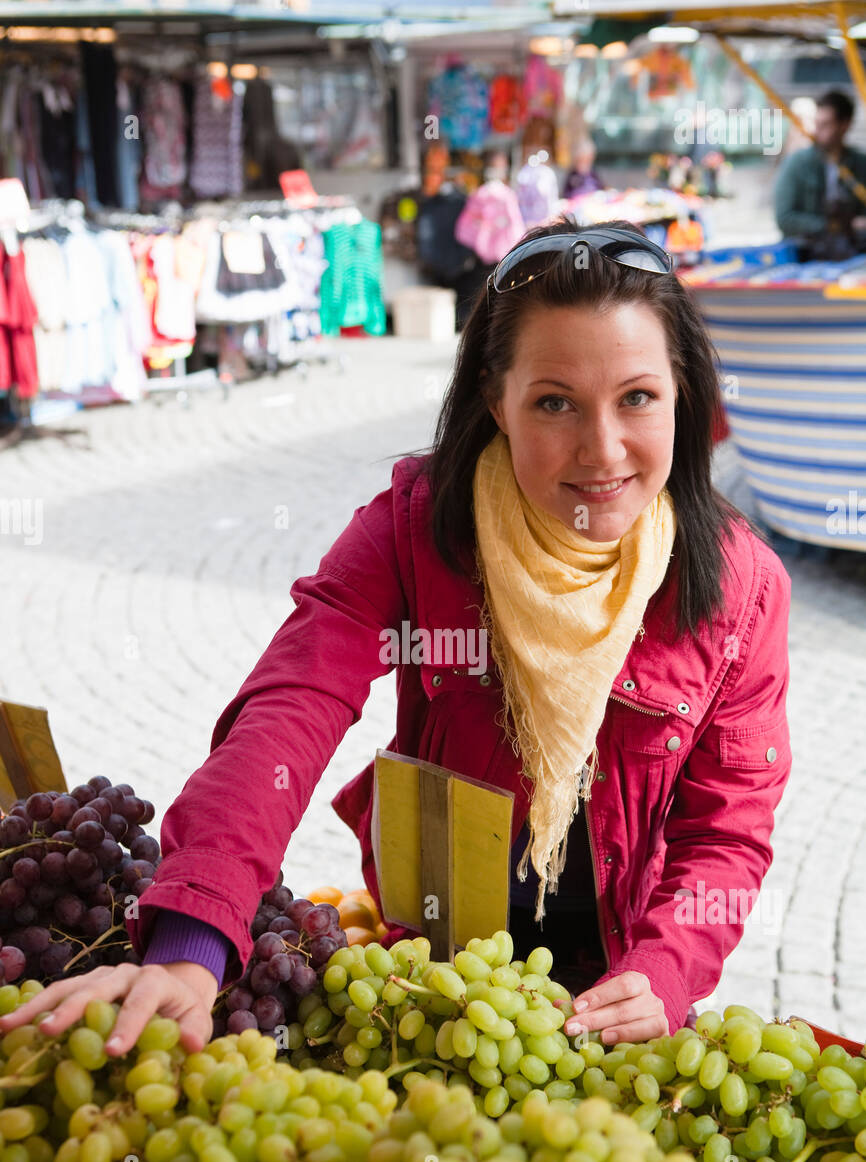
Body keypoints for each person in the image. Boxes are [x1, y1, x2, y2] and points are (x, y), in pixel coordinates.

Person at [0, 216, 792, 1054]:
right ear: (496, 400)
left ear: (683, 394)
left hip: (621, 983)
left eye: (637, 397)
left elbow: (727, 834)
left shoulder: (741, 591)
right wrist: (195, 940)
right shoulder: (417, 528)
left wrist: (665, 975)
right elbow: (293, 705)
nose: (603, 450)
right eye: (554, 402)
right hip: (435, 968)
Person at [775, 89, 866, 256]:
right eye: (817, 124)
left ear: (844, 125)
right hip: (805, 251)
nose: (817, 132)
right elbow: (785, 218)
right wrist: (834, 227)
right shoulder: (797, 163)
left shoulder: (860, 163)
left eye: (825, 125)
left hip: (851, 250)